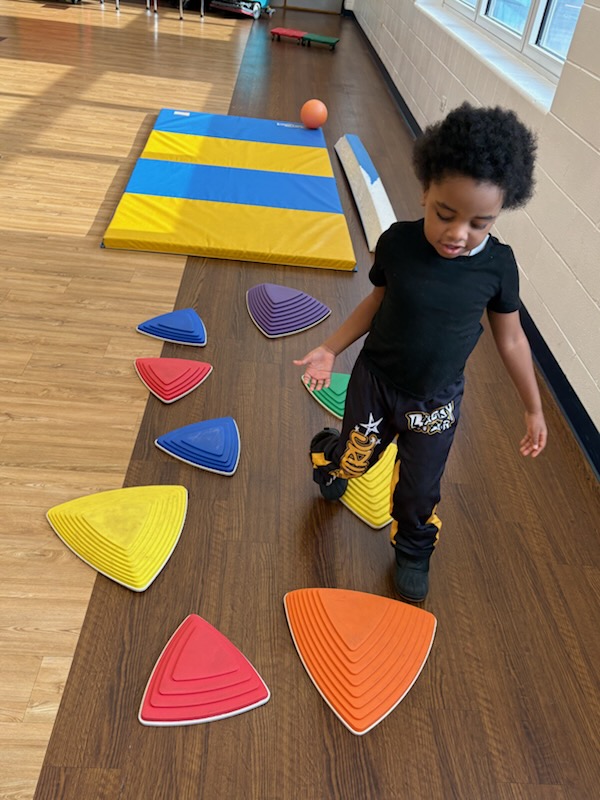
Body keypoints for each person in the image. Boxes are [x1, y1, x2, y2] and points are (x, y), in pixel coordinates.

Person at [294, 102, 548, 604]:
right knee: (355, 462)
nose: (458, 234)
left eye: (479, 223)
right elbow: (375, 301)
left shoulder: (498, 267)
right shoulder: (398, 243)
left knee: (420, 488)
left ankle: (412, 548)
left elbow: (512, 339)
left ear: (499, 214)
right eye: (445, 214)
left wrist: (534, 407)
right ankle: (328, 453)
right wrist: (329, 347)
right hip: (376, 383)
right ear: (425, 192)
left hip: (436, 402)